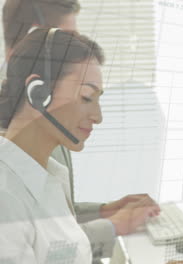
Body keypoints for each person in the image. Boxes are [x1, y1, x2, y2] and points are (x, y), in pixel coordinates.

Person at [2, 1, 162, 261]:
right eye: (86, 97)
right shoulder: (6, 198)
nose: (98, 117)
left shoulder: (50, 174)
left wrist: (105, 211)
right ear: (38, 92)